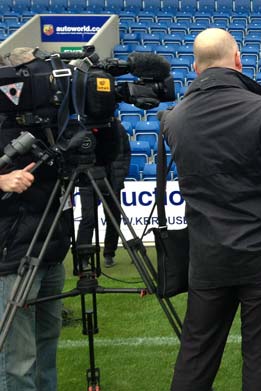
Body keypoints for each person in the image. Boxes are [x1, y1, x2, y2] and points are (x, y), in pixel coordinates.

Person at [162, 28, 261, 391]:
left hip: (209, 258)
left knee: (195, 358)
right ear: (238, 61)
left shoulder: (174, 118)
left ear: (196, 67)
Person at [0, 47, 72, 390]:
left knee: (46, 348)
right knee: (18, 358)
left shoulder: (50, 118)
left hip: (51, 246)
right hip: (13, 253)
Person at [76, 119, 131, 268]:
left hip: (112, 179)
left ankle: (109, 253)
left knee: (113, 218)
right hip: (88, 179)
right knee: (89, 218)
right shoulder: (82, 127)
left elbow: (126, 152)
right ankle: (83, 257)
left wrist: (122, 173)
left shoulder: (118, 128)